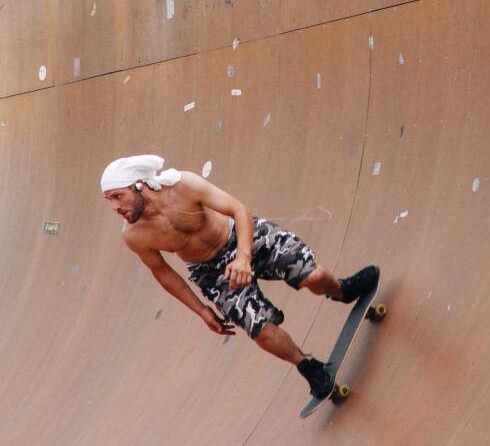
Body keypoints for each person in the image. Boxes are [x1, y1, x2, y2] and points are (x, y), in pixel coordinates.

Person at [100, 154, 379, 398]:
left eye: (117, 196)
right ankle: (308, 367)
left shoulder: (183, 185)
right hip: (211, 272)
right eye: (109, 200)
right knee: (259, 330)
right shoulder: (134, 235)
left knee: (312, 277)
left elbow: (238, 209)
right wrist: (201, 310)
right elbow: (162, 272)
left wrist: (243, 257)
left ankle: (343, 290)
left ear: (138, 184)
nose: (115, 207)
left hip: (243, 237)